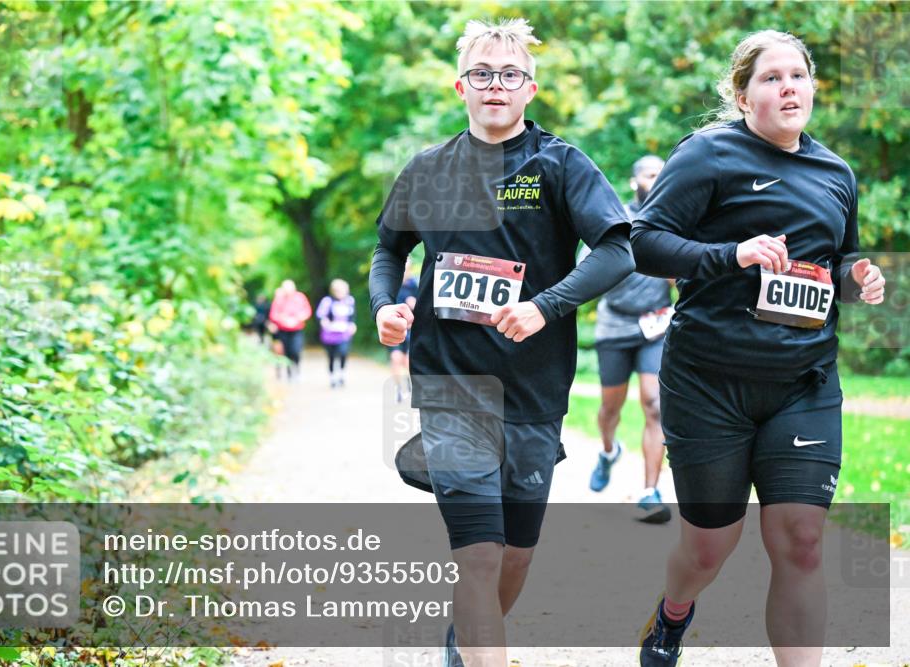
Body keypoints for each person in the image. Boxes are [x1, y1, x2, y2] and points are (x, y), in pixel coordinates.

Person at [369, 18, 635, 667]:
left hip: (534, 390)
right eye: (483, 73)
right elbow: (387, 247)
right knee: (481, 554)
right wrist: (384, 307)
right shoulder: (428, 169)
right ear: (460, 85)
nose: (496, 84)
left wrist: (546, 307)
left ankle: (465, 641)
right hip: (450, 385)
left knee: (515, 551)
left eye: (509, 74)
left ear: (530, 88)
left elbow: (618, 250)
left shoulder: (559, 164)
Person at [630, 31, 886, 667]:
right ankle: (674, 612)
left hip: (803, 383)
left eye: (798, 75)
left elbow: (838, 258)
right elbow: (643, 242)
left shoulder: (835, 172)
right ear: (743, 97)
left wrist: (859, 276)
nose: (789, 87)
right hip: (708, 383)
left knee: (801, 541)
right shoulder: (708, 155)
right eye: (771, 78)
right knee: (708, 548)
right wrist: (731, 255)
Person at [577, 155, 673, 524]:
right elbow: (588, 270)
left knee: (654, 404)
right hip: (614, 325)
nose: (657, 180)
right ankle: (608, 450)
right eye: (651, 174)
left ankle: (650, 491)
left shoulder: (672, 221)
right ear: (636, 182)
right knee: (610, 410)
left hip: (655, 327)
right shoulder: (614, 219)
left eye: (662, 175)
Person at [267, 279, 312, 381]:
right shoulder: (279, 299)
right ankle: (289, 373)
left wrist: (298, 318)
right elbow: (273, 314)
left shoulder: (300, 297)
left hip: (297, 329)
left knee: (295, 350)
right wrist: (284, 319)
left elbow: (306, 311)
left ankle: (297, 369)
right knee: (286, 351)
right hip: (283, 330)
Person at [387, 258, 418, 402]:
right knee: (396, 358)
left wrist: (416, 304)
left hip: (411, 328)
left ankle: (409, 385)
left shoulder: (415, 285)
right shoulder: (390, 284)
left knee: (407, 360)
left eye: (407, 268)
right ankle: (398, 389)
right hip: (395, 327)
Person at [316, 279, 357, 388]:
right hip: (329, 335)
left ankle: (341, 374)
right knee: (331, 356)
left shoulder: (349, 301)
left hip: (344, 333)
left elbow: (352, 316)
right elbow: (321, 315)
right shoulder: (327, 301)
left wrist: (352, 325)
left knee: (343, 353)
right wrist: (325, 323)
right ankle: (332, 377)